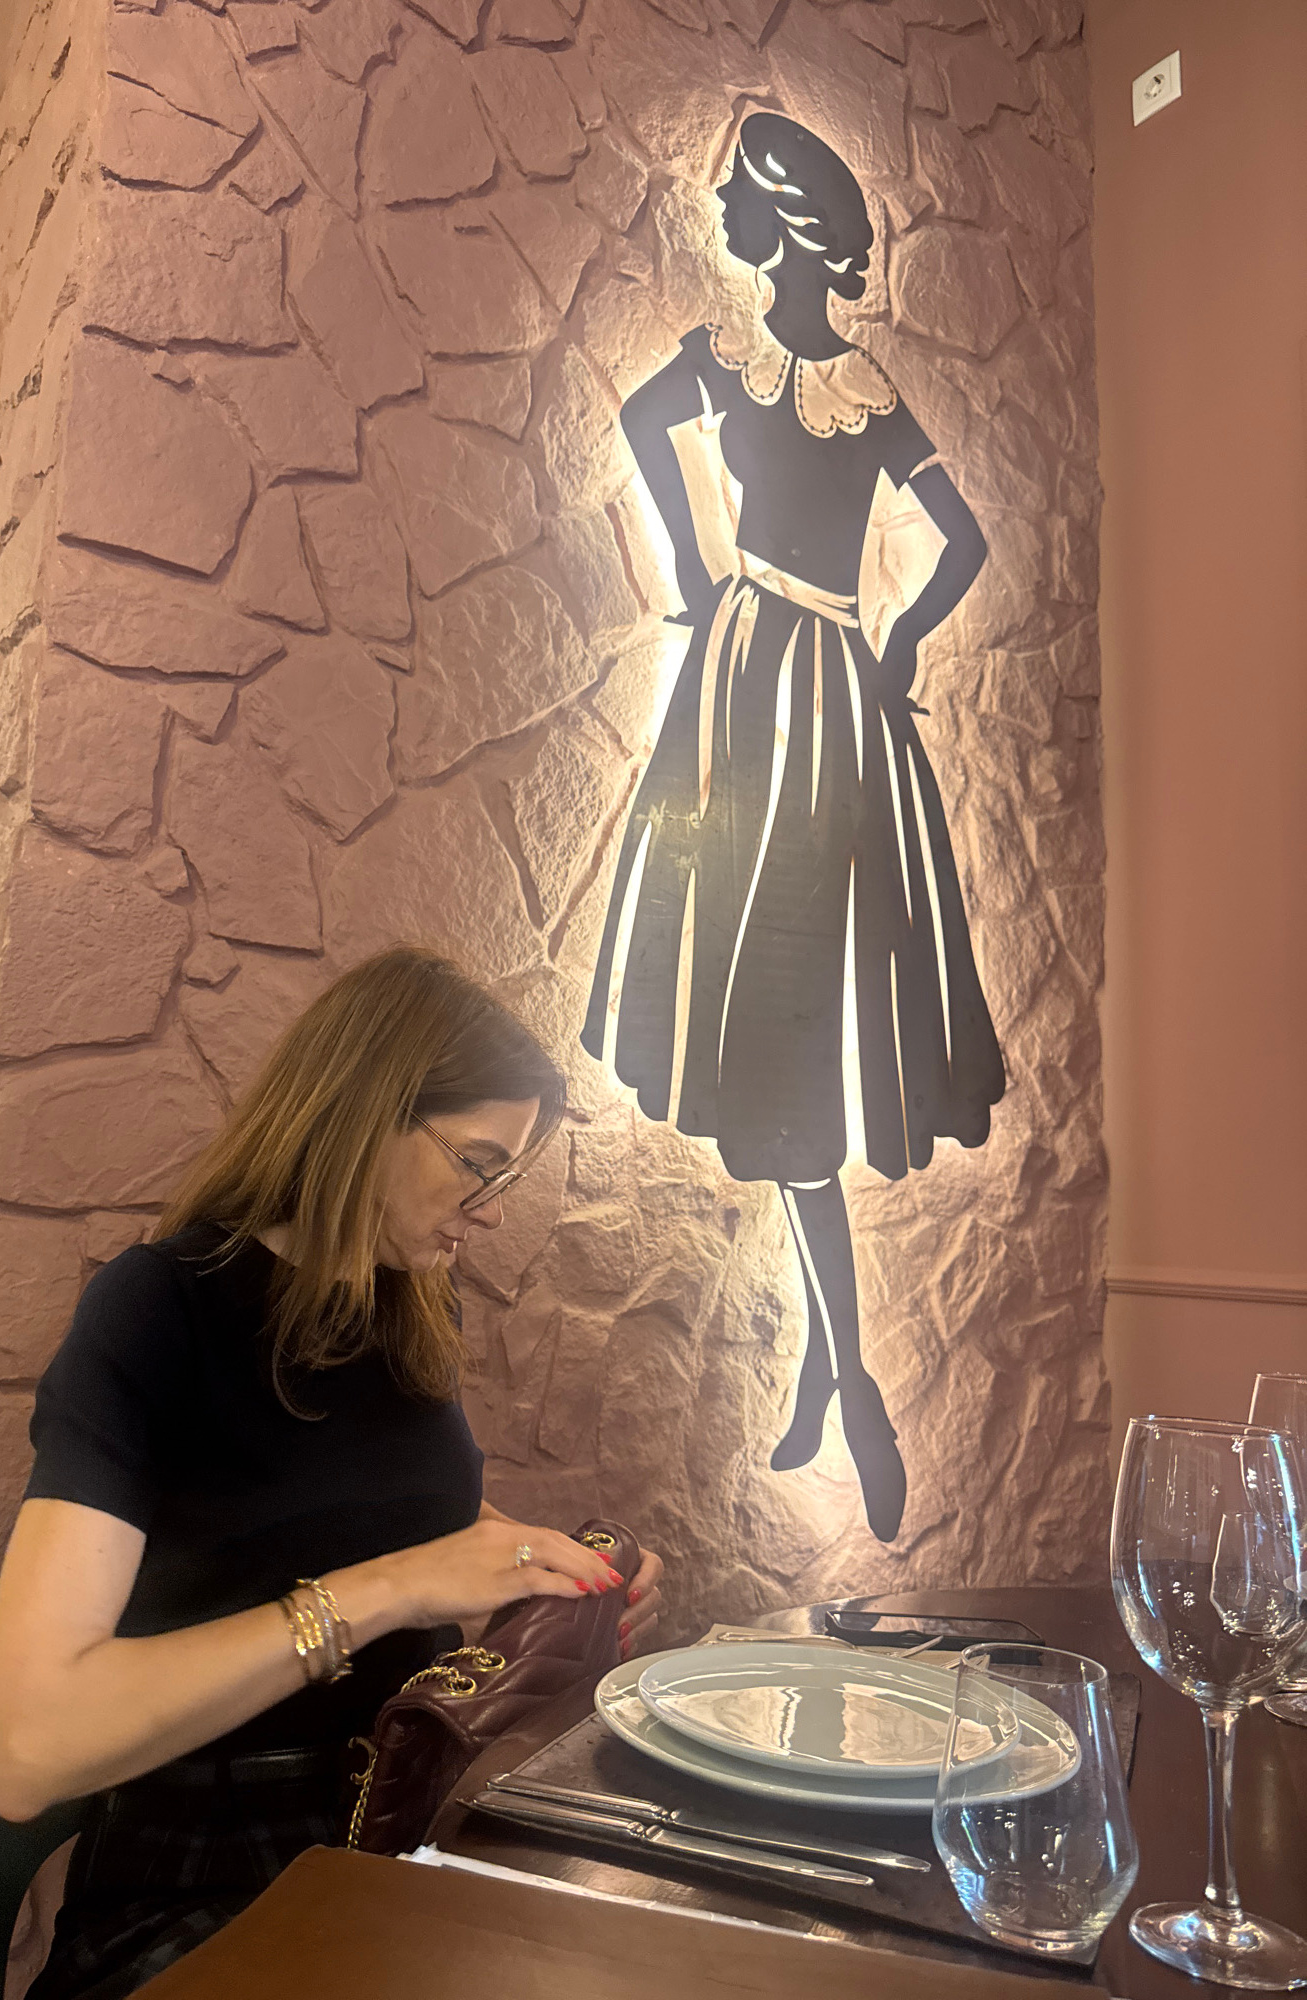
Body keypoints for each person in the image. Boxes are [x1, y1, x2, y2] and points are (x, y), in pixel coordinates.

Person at [0, 947, 665, 1997]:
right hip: (203, 1878)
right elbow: (24, 1750)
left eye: (508, 1176)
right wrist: (393, 1588)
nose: (491, 1209)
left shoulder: (407, 1306)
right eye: (479, 1163)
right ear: (368, 1113)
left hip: (398, 1838)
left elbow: (367, 1508)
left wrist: (543, 1569)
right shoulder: (159, 1312)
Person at [581, 112, 1005, 1543]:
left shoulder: (756, 364)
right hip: (815, 681)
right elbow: (964, 544)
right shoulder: (834, 381)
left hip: (768, 682)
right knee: (780, 1021)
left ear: (783, 224)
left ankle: (852, 1381)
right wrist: (889, 640)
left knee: (779, 1020)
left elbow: (645, 426)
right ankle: (836, 1366)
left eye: (736, 198)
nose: (720, 213)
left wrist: (715, 577)